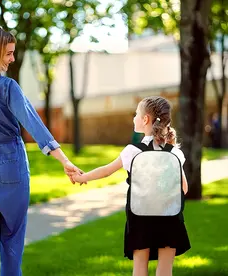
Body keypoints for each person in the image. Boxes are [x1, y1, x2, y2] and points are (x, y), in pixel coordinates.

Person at [0, 25, 81, 276]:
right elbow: (34, 124)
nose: (12, 59)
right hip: (10, 166)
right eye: (8, 54)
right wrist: (64, 160)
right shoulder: (7, 87)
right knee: (11, 240)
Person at [73, 96, 191, 276]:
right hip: (169, 217)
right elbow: (184, 188)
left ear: (145, 120)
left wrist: (83, 177)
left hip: (140, 218)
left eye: (136, 114)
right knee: (165, 270)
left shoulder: (133, 151)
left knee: (139, 269)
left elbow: (106, 170)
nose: (133, 118)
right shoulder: (174, 152)